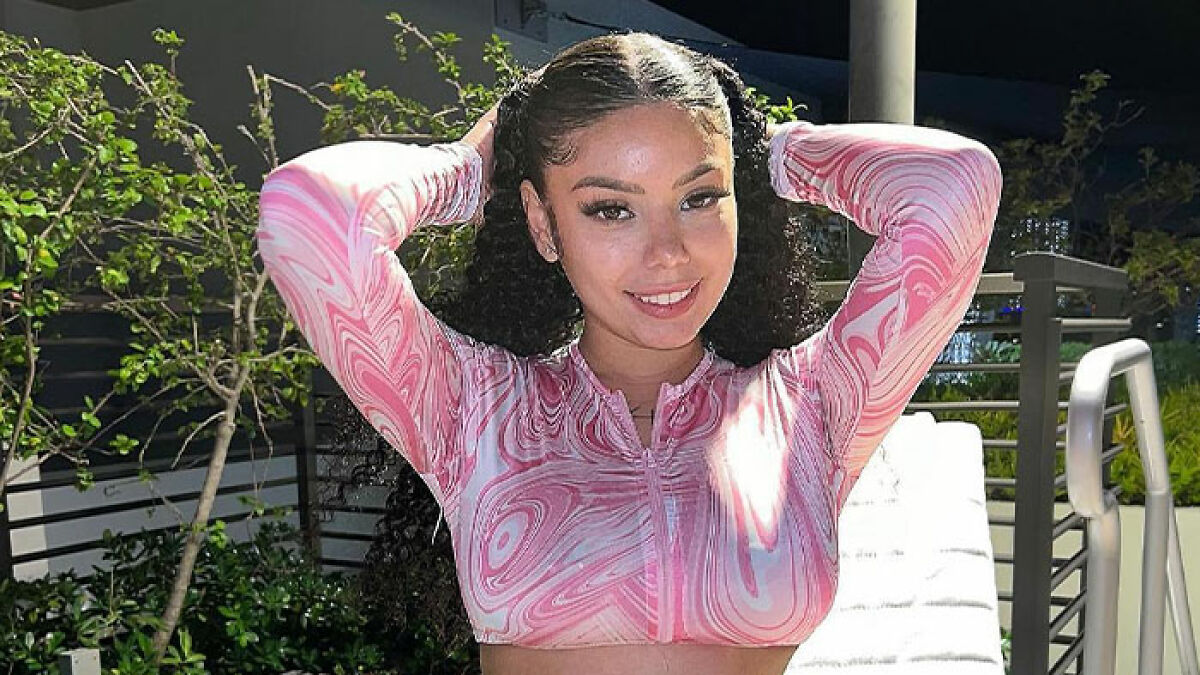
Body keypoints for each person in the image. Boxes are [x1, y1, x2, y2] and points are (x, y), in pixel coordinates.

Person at [257, 31, 1001, 675]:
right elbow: (309, 215)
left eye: (699, 196)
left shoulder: (812, 402)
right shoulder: (472, 405)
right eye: (611, 208)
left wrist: (762, 148)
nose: (668, 253)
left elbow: (955, 189)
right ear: (545, 225)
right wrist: (465, 169)